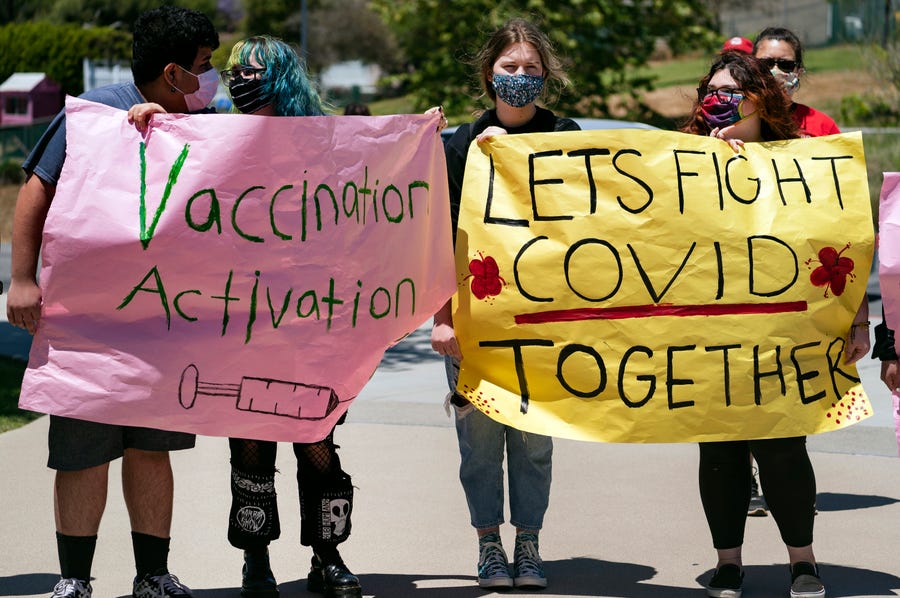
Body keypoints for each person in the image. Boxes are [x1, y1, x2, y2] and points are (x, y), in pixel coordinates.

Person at [130, 36, 446, 598]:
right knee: (250, 448)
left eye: (250, 70)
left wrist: (415, 136)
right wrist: (152, 119)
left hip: (314, 327)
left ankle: (328, 556)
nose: (238, 78)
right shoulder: (215, 134)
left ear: (277, 75)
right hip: (244, 324)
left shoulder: (324, 141)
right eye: (232, 71)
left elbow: (374, 181)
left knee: (318, 444)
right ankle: (257, 561)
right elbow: (172, 169)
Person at [5, 6, 219, 598]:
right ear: (174, 72)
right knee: (82, 454)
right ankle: (74, 580)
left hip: (164, 327)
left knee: (151, 451)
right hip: (87, 327)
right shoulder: (94, 111)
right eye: (204, 67)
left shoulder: (199, 120)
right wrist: (21, 281)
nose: (211, 80)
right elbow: (35, 190)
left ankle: (153, 574)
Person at [681, 50, 870, 598]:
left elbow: (845, 238)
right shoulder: (681, 158)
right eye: (711, 91)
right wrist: (705, 164)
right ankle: (728, 563)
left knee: (784, 447)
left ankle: (802, 561)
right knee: (719, 451)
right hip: (708, 336)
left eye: (734, 91)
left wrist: (857, 318)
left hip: (781, 337)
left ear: (762, 99)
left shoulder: (804, 161)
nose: (721, 100)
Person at [432, 17, 579, 591]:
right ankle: (489, 544)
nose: (520, 78)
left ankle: (530, 544)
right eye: (509, 68)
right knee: (480, 442)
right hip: (475, 320)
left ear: (546, 77)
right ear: (488, 74)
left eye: (531, 70)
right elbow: (438, 235)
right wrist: (441, 320)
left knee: (535, 439)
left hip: (543, 320)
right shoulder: (462, 145)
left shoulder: (565, 133)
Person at [752, 26, 840, 138]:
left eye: (786, 65)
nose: (775, 72)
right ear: (751, 67)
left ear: (798, 72)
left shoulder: (823, 127)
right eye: (765, 63)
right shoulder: (735, 123)